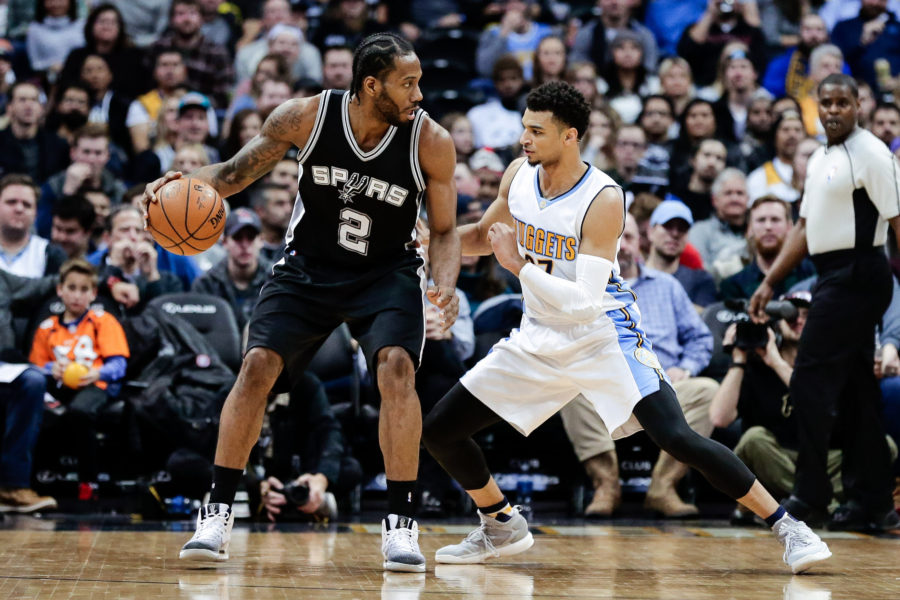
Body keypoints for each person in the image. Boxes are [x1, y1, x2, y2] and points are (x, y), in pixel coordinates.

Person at [421, 81, 830, 573]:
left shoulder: (603, 197)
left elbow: (583, 301)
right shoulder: (518, 175)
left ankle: (789, 526)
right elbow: (486, 239)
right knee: (441, 430)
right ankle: (500, 522)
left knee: (676, 436)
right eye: (523, 128)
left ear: (570, 136)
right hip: (539, 334)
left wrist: (519, 268)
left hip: (602, 334)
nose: (524, 139)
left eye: (536, 130)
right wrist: (428, 242)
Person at [141, 33, 460, 571]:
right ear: (370, 85)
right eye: (409, 83)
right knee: (257, 365)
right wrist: (177, 184)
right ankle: (216, 513)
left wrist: (444, 286)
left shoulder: (431, 141)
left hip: (387, 272)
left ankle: (401, 525)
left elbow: (447, 231)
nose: (419, 94)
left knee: (398, 368)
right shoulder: (306, 117)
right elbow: (231, 176)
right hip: (308, 269)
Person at [750, 73, 900, 532]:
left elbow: (897, 221)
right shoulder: (819, 158)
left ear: (859, 105)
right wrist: (769, 283)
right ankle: (873, 503)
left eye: (842, 103)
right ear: (817, 107)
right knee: (858, 391)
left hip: (861, 272)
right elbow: (803, 227)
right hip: (832, 274)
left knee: (811, 380)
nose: (833, 110)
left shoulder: (872, 153)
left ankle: (811, 496)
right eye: (826, 103)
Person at [561, 211, 719, 518]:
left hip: (665, 383)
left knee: (708, 391)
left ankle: (663, 487)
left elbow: (700, 338)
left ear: (640, 241)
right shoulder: (582, 288)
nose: (621, 245)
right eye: (613, 238)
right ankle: (606, 484)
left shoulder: (668, 286)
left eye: (628, 236)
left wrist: (685, 367)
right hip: (605, 387)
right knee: (570, 389)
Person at [29, 258, 129, 486]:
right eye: (71, 288)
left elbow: (118, 365)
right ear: (60, 290)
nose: (77, 295)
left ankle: (88, 481)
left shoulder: (103, 321)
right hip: (58, 386)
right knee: (36, 408)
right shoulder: (47, 327)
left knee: (80, 412)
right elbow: (33, 367)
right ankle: (42, 476)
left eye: (84, 289)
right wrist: (50, 369)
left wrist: (96, 373)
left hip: (96, 386)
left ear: (93, 293)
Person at [720, 195, 815, 301]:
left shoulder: (811, 274)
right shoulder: (734, 285)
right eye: (761, 220)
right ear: (749, 229)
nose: (768, 226)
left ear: (790, 227)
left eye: (775, 220)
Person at [191, 208, 270, 330]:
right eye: (238, 237)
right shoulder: (206, 284)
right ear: (224, 242)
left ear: (261, 241)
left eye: (251, 237)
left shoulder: (275, 279)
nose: (245, 245)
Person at [0, 174, 67, 278]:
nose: (19, 209)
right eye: (11, 202)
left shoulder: (50, 254)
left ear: (36, 213)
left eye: (27, 205)